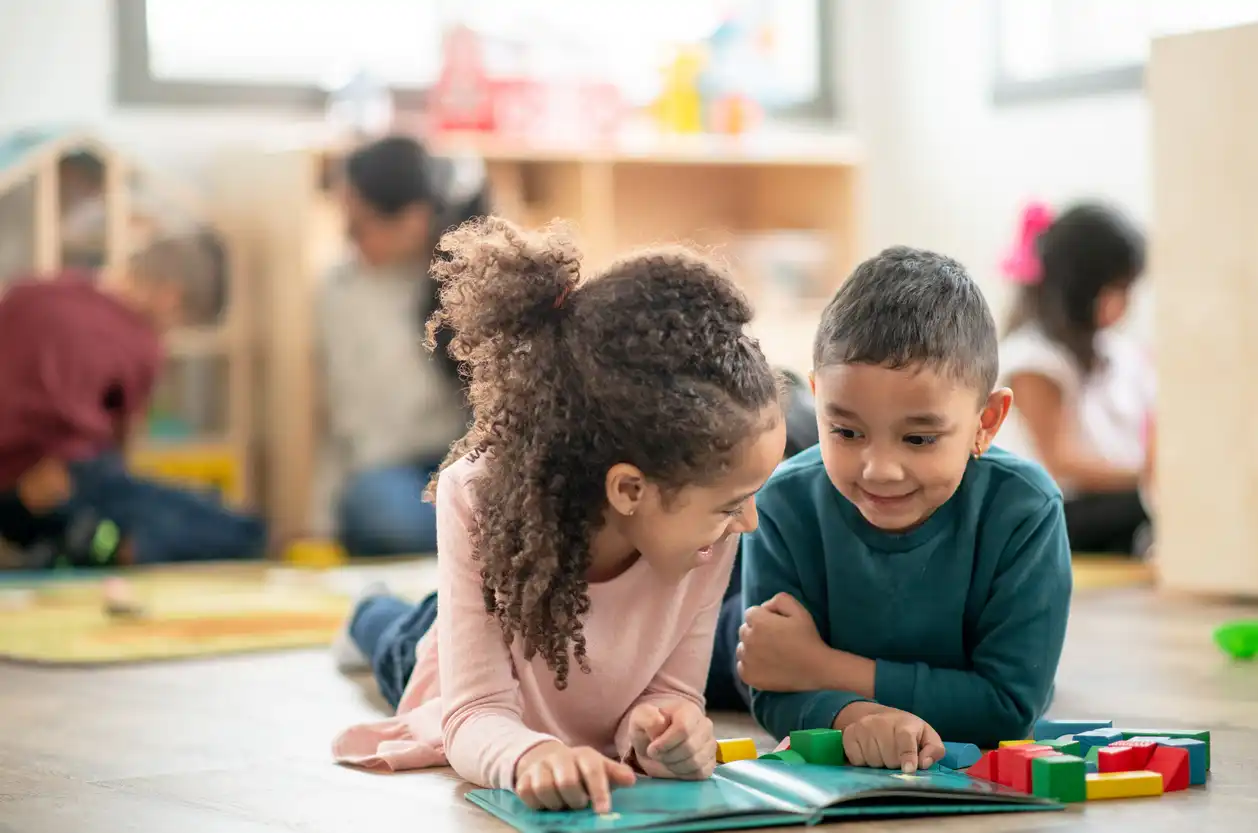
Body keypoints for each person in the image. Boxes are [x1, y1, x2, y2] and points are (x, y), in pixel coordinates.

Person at [330, 217, 787, 813]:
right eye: (731, 506)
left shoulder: (710, 531)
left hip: (581, 675)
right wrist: (531, 758)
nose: (748, 522)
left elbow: (670, 691)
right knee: (402, 643)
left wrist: (665, 729)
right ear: (629, 489)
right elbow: (475, 713)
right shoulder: (479, 495)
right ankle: (367, 609)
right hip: (476, 670)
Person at [716, 246, 1072, 769]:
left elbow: (1007, 709)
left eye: (920, 439)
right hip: (725, 644)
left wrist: (822, 665)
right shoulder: (784, 500)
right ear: (817, 402)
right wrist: (856, 717)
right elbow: (769, 679)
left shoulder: (1026, 509)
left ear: (987, 422)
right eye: (846, 431)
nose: (880, 469)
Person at [0, 259, 267, 568]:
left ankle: (87, 542)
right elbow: (120, 443)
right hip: (59, 485)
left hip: (12, 495)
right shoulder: (138, 338)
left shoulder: (29, 293)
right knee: (244, 531)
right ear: (171, 296)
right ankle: (102, 547)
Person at [314, 135, 488, 556]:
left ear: (413, 221)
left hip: (467, 465)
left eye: (358, 226)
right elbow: (336, 422)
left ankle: (472, 545)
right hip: (390, 475)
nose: (348, 239)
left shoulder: (467, 282)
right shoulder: (340, 291)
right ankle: (470, 549)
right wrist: (317, 520)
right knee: (382, 510)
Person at [996, 201, 1155, 556]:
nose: (1128, 303)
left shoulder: (1115, 352)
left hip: (1104, 501)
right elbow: (1062, 460)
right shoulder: (1033, 359)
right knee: (1150, 507)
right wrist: (1148, 477)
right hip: (1052, 510)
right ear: (1082, 287)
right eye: (1120, 289)